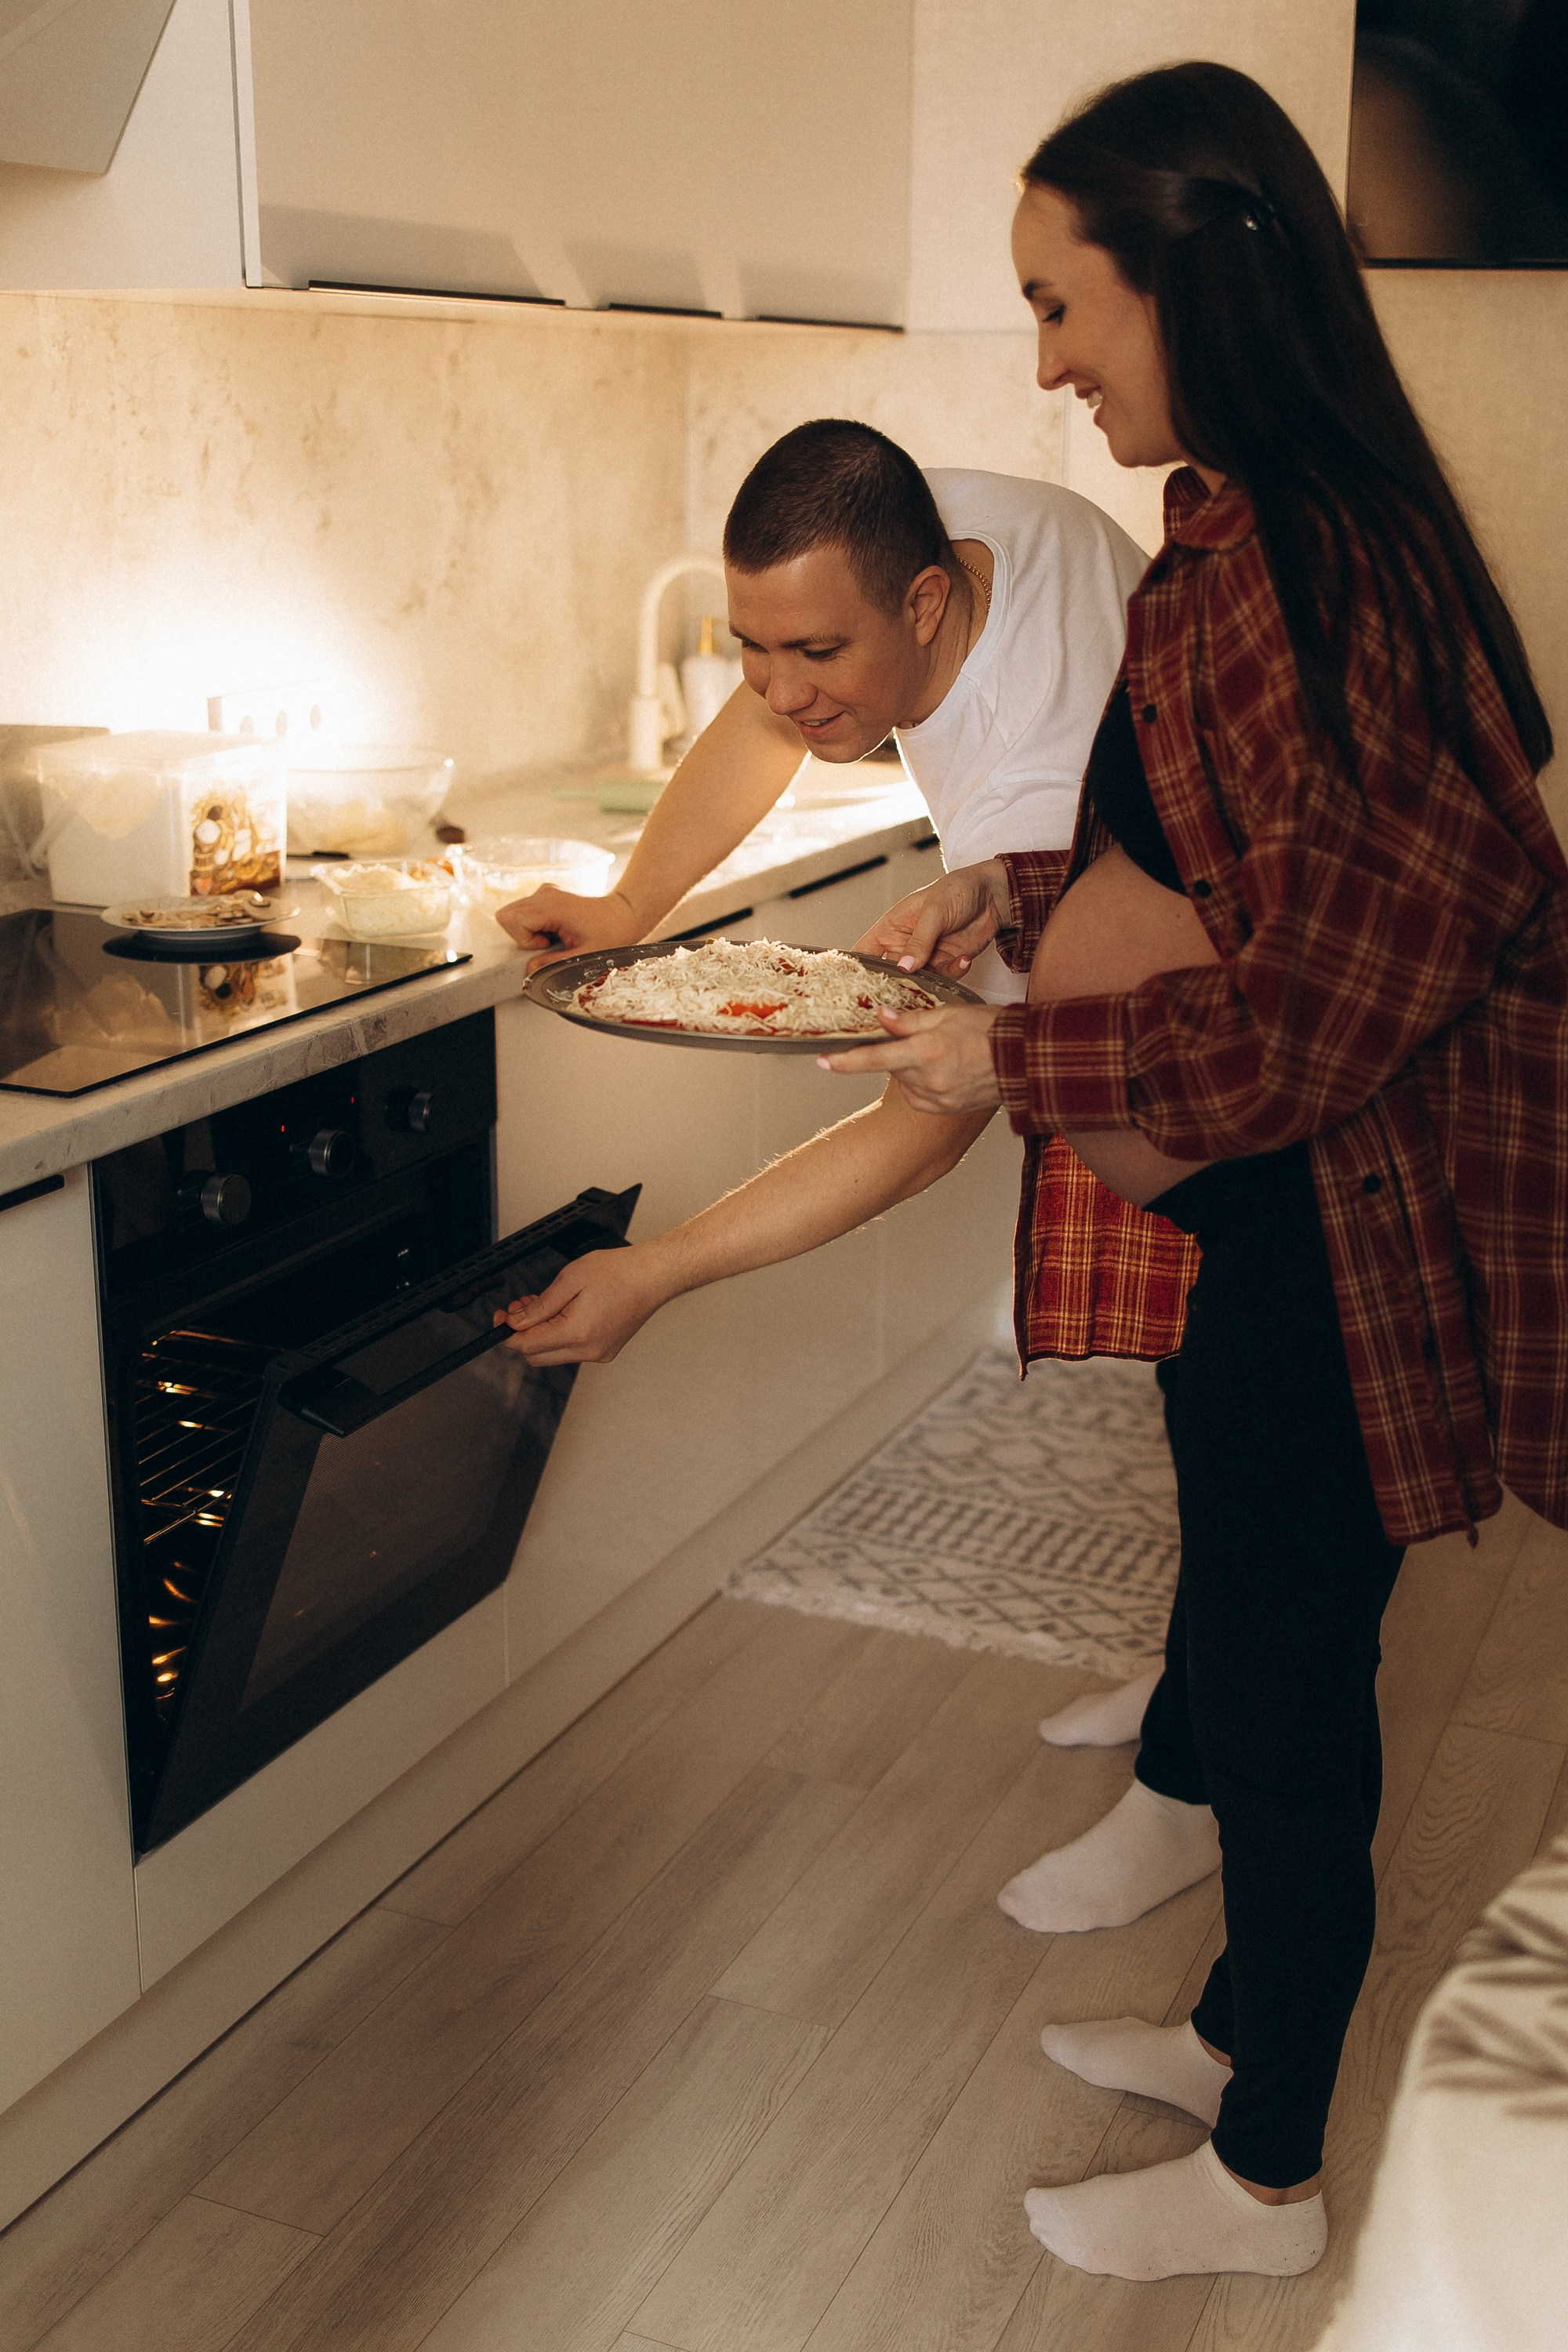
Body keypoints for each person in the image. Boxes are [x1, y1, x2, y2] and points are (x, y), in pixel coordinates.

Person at [501, 59, 1568, 2282]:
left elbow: (1310, 1011)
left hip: (1359, 1204)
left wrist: (1010, 1045)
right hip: (1268, 1197)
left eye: (1066, 305)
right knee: (1262, 1611)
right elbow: (1199, 845)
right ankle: (1241, 2030)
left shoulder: (1322, 574)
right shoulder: (1232, 534)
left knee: (1282, 1701)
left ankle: (1267, 2179)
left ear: (1204, 279)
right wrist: (1026, 898)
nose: (1051, 361)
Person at [500, 419, 1147, 1007]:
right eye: (753, 645)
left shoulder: (1024, 803)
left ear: (924, 606)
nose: (781, 696)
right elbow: (766, 720)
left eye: (818, 652)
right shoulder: (900, 515)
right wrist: (627, 907)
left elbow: (941, 1116)